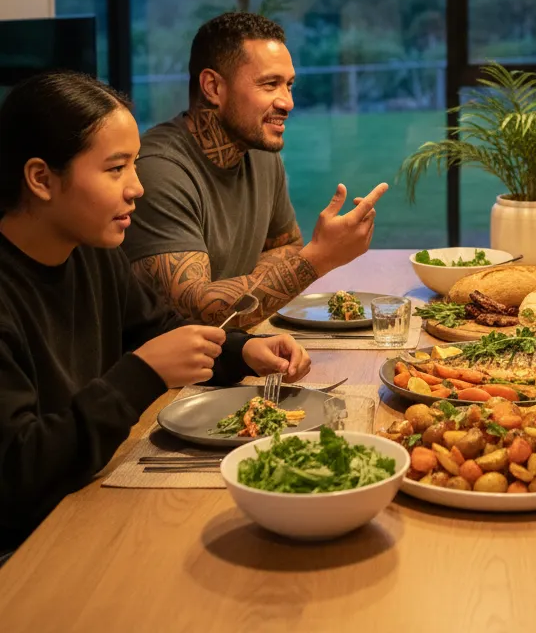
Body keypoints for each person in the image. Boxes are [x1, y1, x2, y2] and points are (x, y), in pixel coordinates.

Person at [0, 71, 311, 558]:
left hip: (87, 505)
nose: (137, 189)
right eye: (115, 169)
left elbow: (162, 330)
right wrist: (141, 373)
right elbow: (17, 474)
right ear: (41, 179)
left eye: (135, 166)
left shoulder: (91, 252)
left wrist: (244, 349)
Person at [123, 12, 388, 325]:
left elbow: (286, 245)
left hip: (233, 351)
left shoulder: (259, 152)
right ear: (212, 87)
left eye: (288, 85)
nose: (287, 102)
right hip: (168, 370)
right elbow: (193, 309)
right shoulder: (159, 171)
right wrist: (319, 258)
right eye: (270, 84)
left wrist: (252, 287)